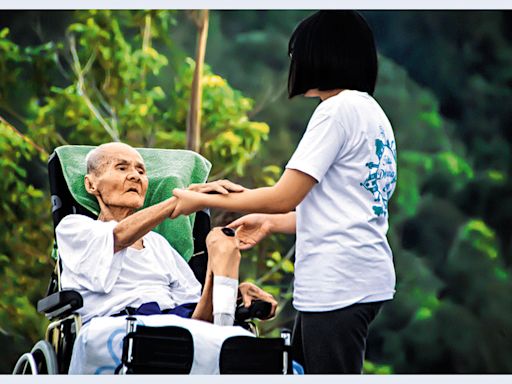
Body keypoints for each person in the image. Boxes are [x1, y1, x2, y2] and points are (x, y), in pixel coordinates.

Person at [170, 11, 397, 373]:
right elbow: (343, 208)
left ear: (323, 55)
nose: (295, 63)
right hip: (362, 275)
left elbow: (283, 195)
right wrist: (272, 223)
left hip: (338, 282)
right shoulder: (372, 113)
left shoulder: (336, 111)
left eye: (299, 54)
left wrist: (200, 199)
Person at [55, 142, 277, 326]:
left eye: (141, 171)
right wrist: (180, 199)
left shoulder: (158, 243)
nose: (135, 176)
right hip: (116, 324)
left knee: (220, 239)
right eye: (121, 168)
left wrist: (234, 293)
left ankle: (222, 268)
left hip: (173, 321)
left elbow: (192, 302)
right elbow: (118, 237)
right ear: (91, 184)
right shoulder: (74, 227)